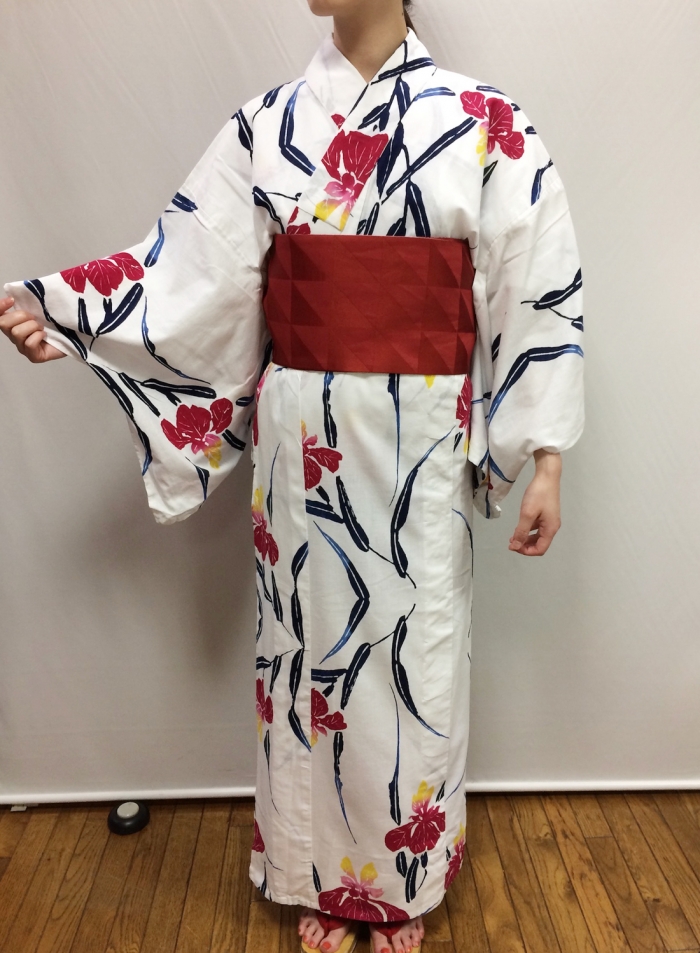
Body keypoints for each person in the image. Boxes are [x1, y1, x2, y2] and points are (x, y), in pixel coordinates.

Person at [0, 0, 584, 950]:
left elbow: (537, 283)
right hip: (303, 441)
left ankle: (396, 885)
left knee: (415, 649)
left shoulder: (484, 122)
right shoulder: (266, 124)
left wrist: (545, 452)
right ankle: (320, 873)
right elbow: (188, 271)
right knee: (305, 649)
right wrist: (70, 317)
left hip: (422, 442)